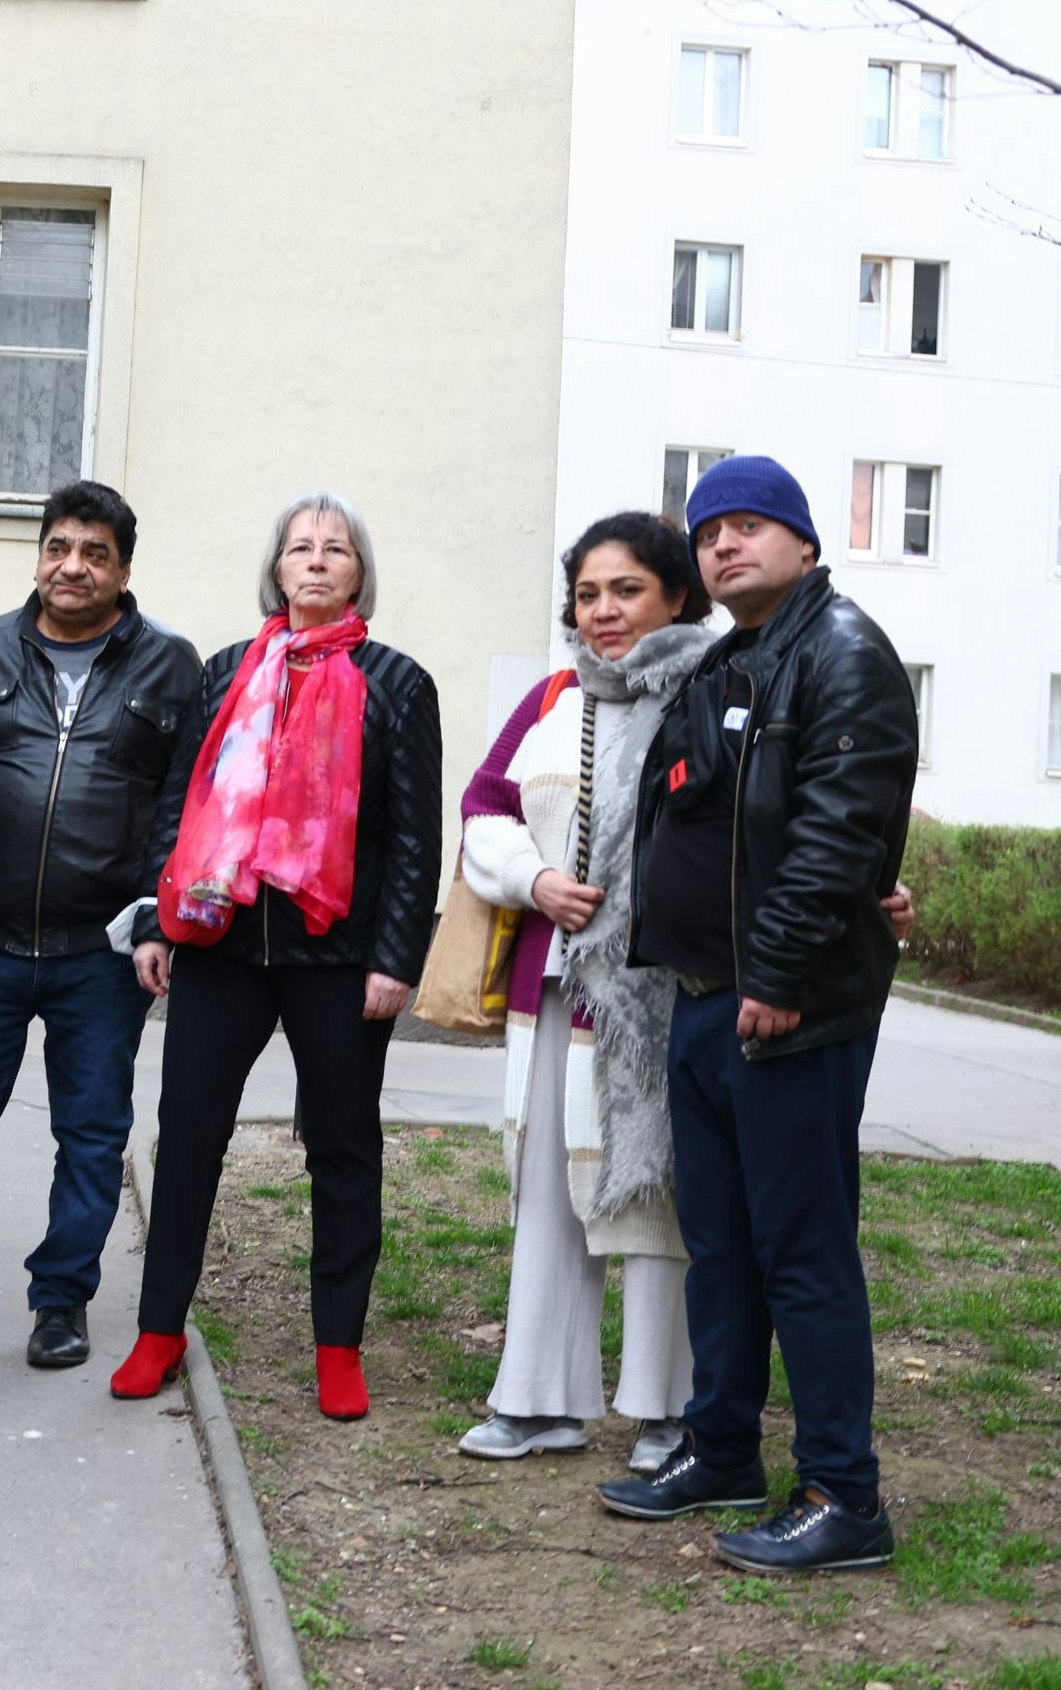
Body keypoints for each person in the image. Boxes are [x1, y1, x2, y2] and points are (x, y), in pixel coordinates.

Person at [599, 455, 918, 1575]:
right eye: (709, 530)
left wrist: (775, 977)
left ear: (803, 543)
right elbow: (705, 820)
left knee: (801, 1250)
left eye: (749, 524)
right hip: (700, 998)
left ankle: (844, 1494)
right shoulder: (730, 659)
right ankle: (720, 1445)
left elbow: (836, 832)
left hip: (785, 1007)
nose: (725, 543)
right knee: (720, 1245)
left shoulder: (842, 654)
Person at [113, 492, 442, 1423]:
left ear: (356, 572)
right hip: (220, 946)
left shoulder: (396, 682)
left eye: (335, 549)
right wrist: (152, 923)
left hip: (338, 957)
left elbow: (414, 835)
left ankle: (338, 1347)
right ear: (277, 567)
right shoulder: (225, 673)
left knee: (341, 1151)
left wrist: (395, 958)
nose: (316, 561)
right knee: (186, 1143)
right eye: (300, 547)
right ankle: (157, 1331)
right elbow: (178, 808)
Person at [0, 481, 203, 1374]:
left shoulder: (170, 668)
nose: (73, 566)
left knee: (90, 1134)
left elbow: (179, 808)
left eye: (95, 553)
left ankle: (60, 1302)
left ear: (123, 570)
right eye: (60, 547)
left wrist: (149, 917)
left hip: (98, 951)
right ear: (39, 554)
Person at [452, 513, 712, 1470]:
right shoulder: (553, 698)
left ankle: (665, 1409)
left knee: (652, 1191)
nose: (603, 611)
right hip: (556, 985)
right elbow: (483, 805)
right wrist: (534, 881)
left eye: (627, 590)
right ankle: (537, 1401)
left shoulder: (715, 692)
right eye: (588, 593)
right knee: (548, 1197)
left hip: (663, 995)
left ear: (676, 596)